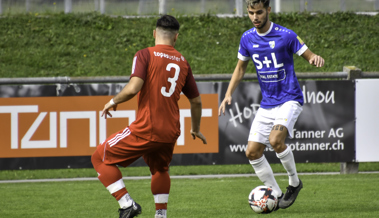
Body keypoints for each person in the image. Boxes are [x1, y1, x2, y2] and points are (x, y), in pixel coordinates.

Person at [91, 15, 207, 218]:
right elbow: (196, 101)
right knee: (160, 169)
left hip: (147, 127)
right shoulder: (182, 62)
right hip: (171, 130)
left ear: (154, 33)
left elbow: (133, 88)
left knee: (100, 157)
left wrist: (112, 101)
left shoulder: (145, 54)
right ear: (176, 38)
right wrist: (195, 129)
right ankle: (160, 216)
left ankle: (127, 204)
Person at [218, 0, 324, 210]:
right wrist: (228, 93)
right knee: (252, 152)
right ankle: (274, 193)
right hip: (267, 104)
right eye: (251, 13)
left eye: (259, 12)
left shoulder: (287, 35)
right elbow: (240, 69)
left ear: (268, 10)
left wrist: (314, 59)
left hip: (290, 99)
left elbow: (309, 54)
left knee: (275, 140)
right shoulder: (247, 38)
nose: (255, 17)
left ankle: (294, 183)